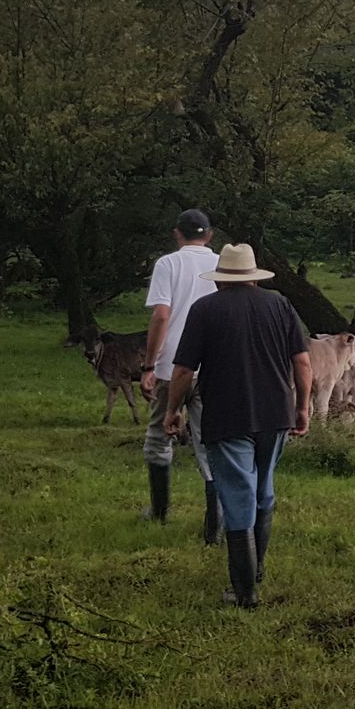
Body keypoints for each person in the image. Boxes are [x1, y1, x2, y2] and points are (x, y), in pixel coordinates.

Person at [164, 243, 312, 609]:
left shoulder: (205, 309)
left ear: (220, 281)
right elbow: (303, 362)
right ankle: (257, 569)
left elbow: (183, 371)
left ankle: (244, 591)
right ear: (254, 277)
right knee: (264, 489)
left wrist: (173, 410)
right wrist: (303, 406)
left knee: (237, 496)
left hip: (227, 416)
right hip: (276, 413)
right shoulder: (279, 304)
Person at [141, 208, 221, 541]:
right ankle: (213, 524)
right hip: (212, 363)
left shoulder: (168, 264)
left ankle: (160, 510)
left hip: (172, 364)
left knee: (159, 434)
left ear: (177, 233)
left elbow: (162, 315)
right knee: (210, 441)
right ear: (210, 235)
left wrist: (149, 364)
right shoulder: (223, 264)